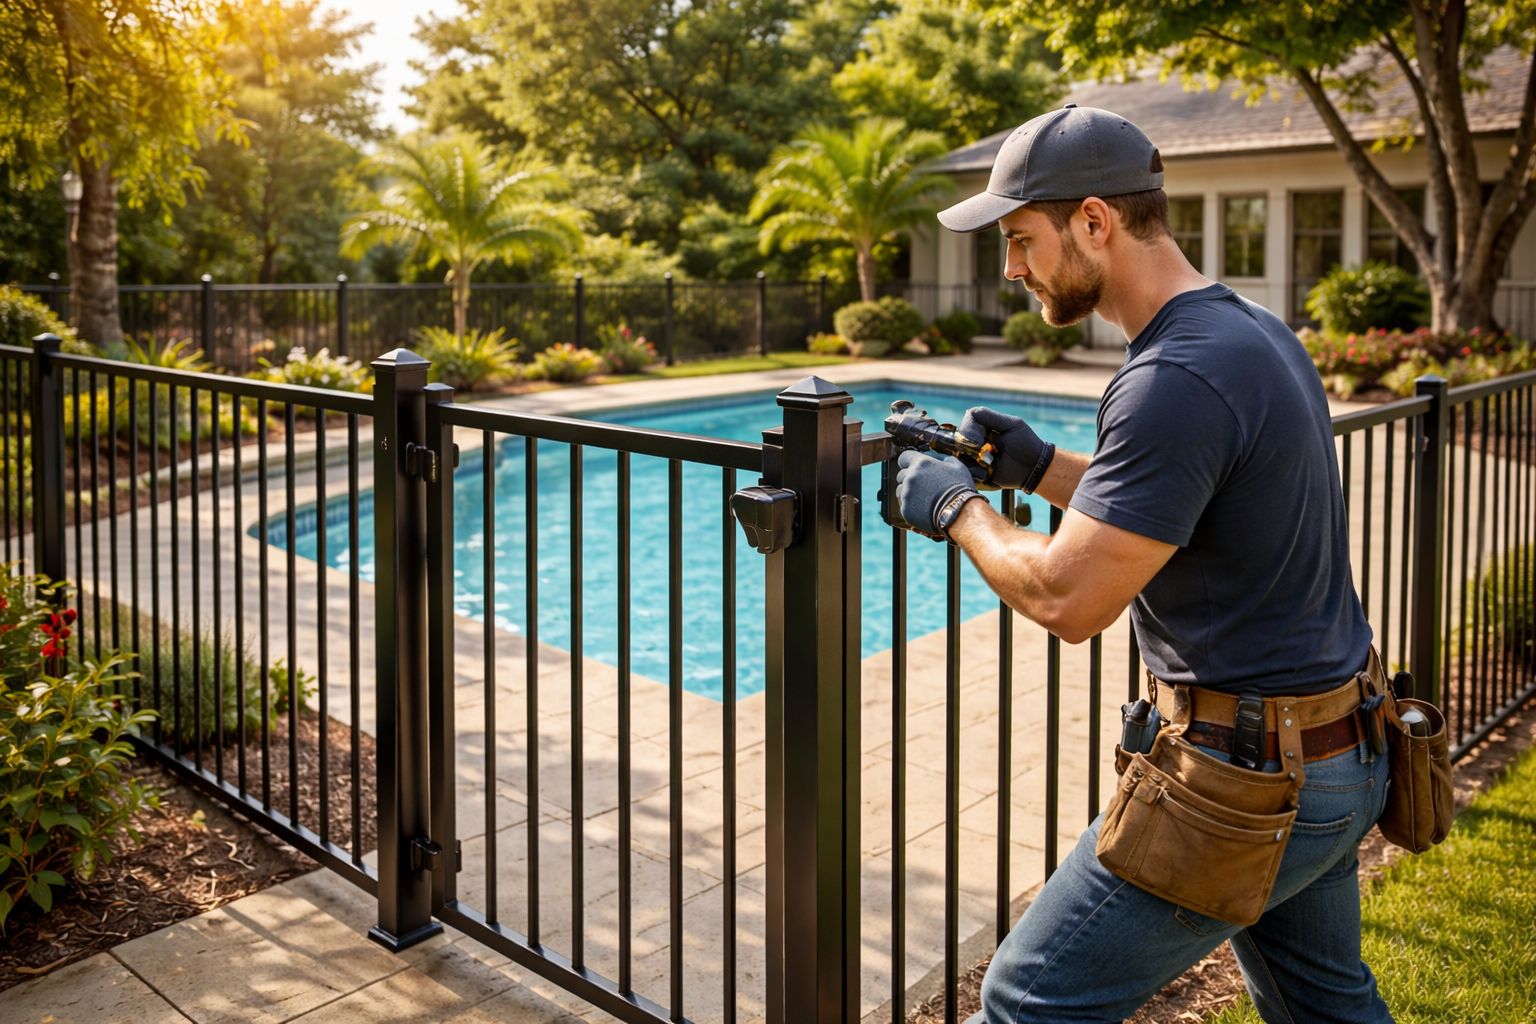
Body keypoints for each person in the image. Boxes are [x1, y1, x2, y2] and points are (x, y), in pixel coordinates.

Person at [894, 104, 1394, 1023]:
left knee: (1025, 998)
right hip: (1343, 745)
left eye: (1019, 239)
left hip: (1247, 783)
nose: (1010, 269)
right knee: (1325, 1006)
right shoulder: (1248, 332)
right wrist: (1040, 469)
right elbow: (1184, 503)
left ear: (1094, 220)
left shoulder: (1173, 378)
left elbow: (1068, 597)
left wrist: (953, 507)